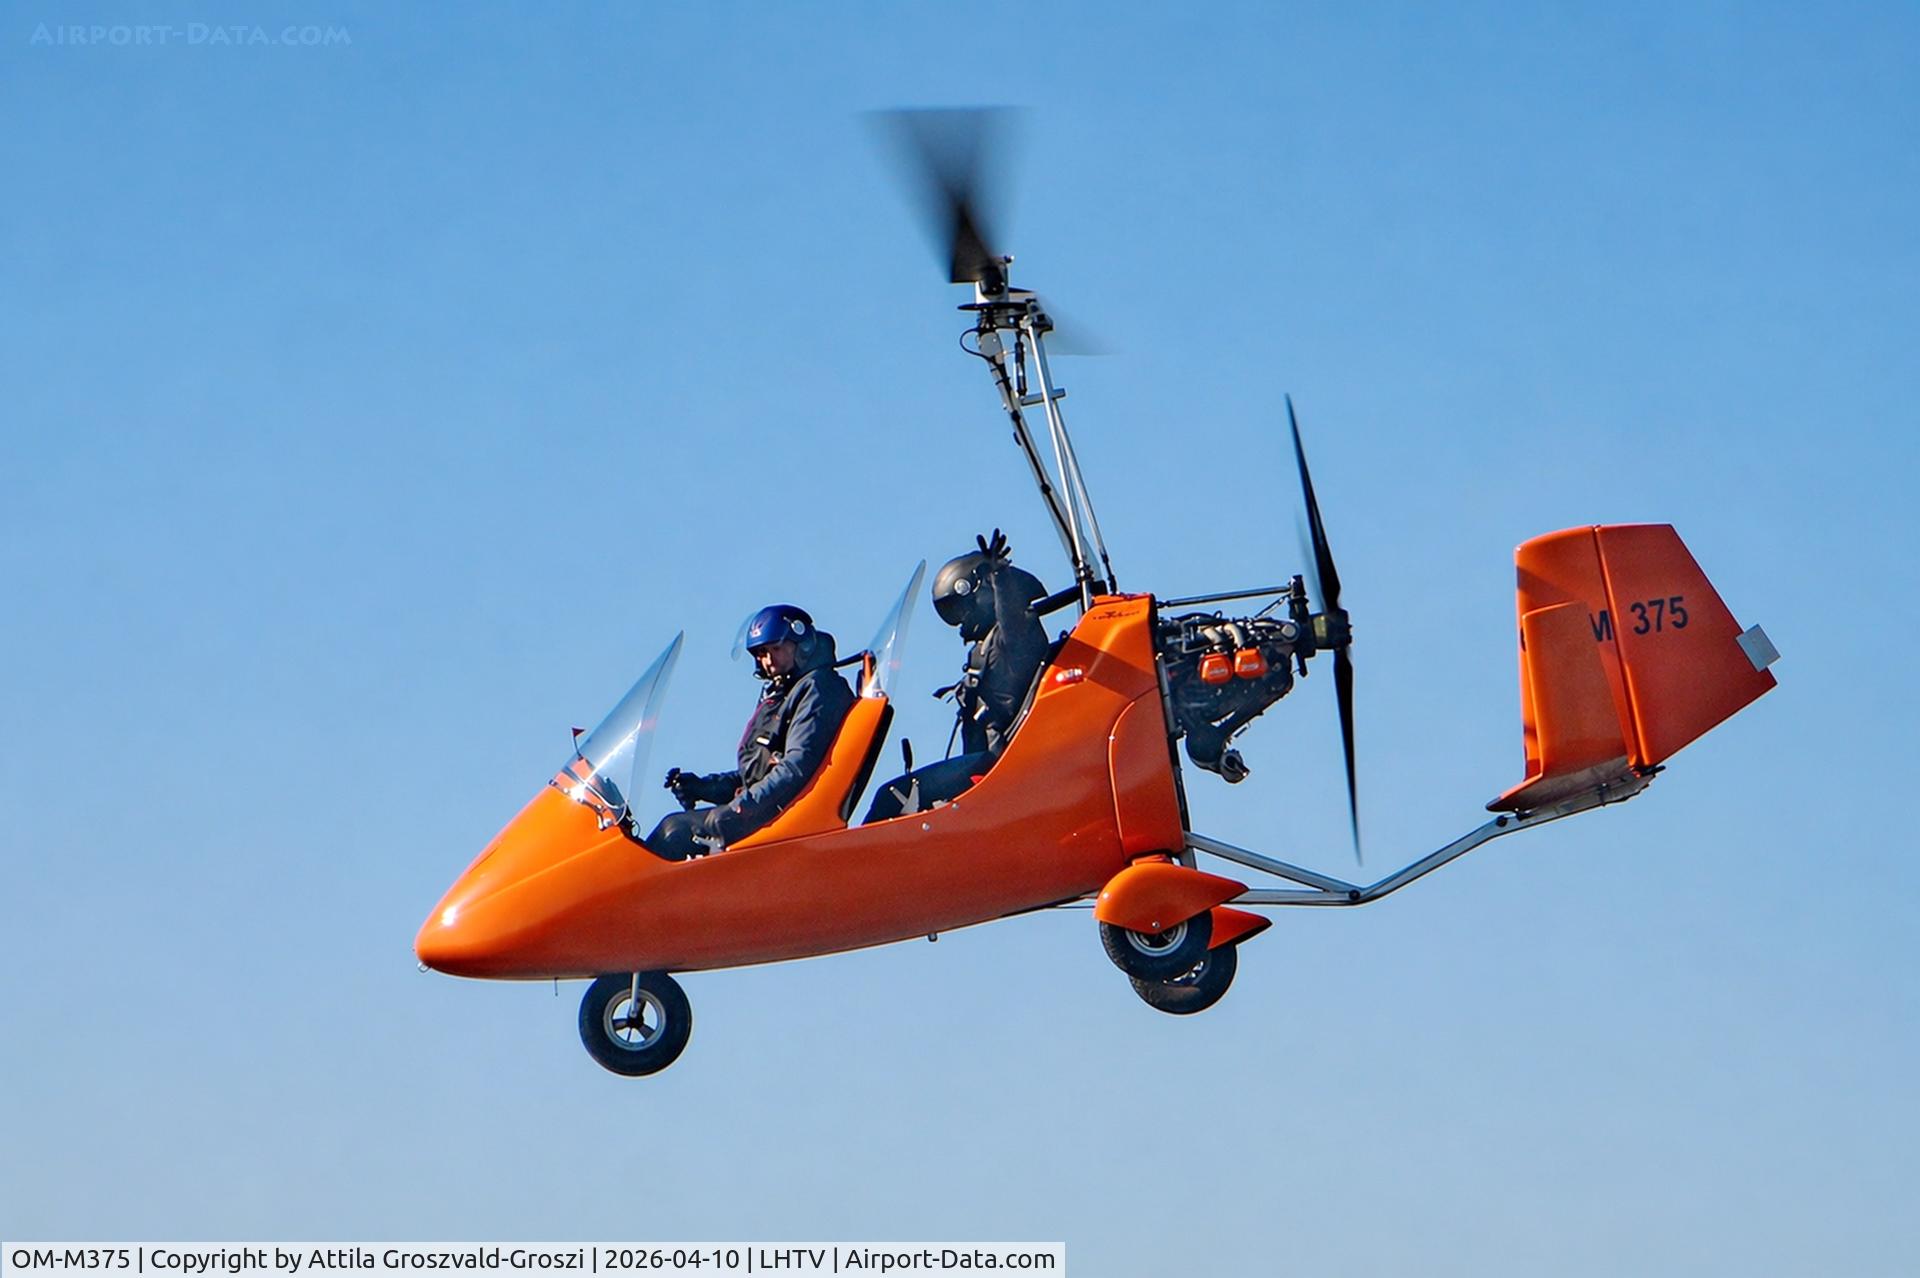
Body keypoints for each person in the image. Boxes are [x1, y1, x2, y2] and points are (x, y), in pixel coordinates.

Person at [865, 530, 1052, 822]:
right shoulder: (984, 649)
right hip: (987, 763)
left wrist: (1001, 578)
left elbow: (1013, 621)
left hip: (998, 765)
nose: (959, 621)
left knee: (892, 798)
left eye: (960, 609)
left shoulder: (1015, 639)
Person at [645, 604, 857, 860]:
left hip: (786, 818)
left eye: (775, 649)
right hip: (771, 810)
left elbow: (797, 767)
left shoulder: (818, 689)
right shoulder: (784, 694)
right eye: (761, 654)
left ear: (803, 645)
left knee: (673, 832)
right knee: (673, 828)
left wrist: (738, 810)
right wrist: (703, 787)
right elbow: (756, 775)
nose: (768, 662)